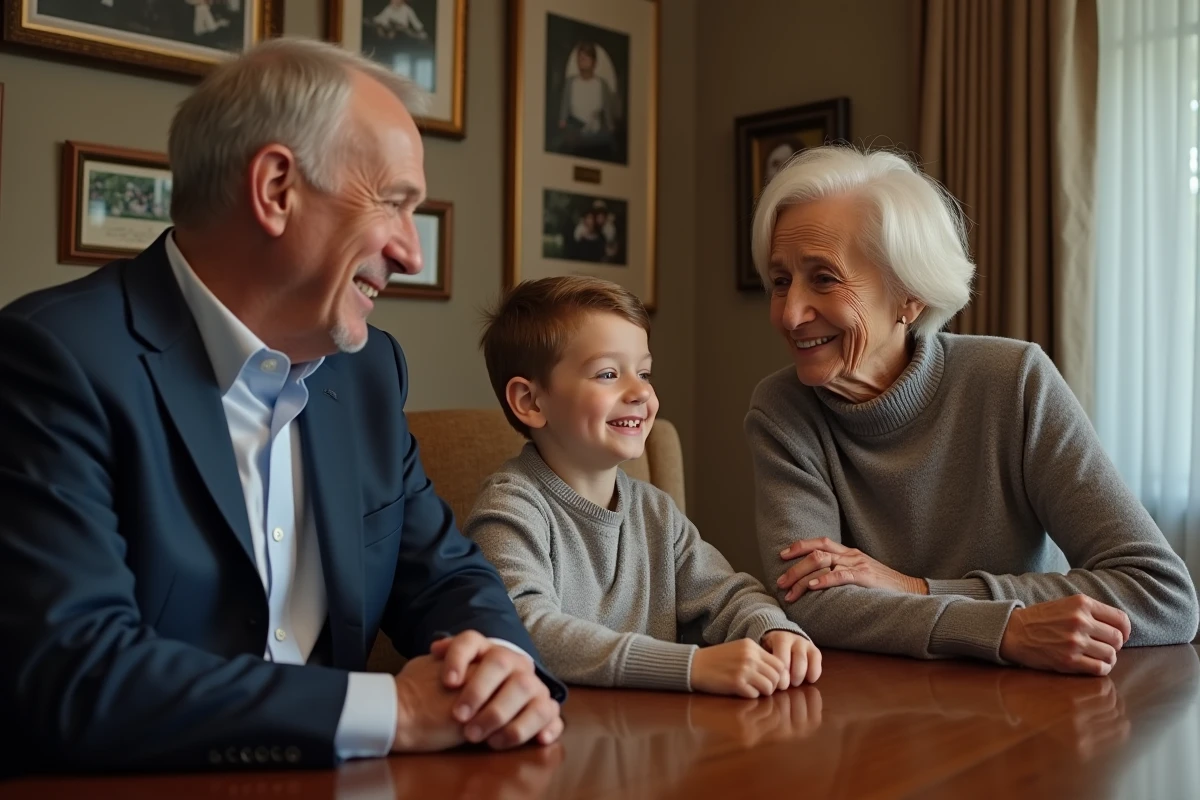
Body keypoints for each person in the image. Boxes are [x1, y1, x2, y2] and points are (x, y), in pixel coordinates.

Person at [0, 38, 564, 773]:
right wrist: (395, 710)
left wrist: (503, 671)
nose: (411, 253)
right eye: (393, 203)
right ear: (275, 190)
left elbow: (448, 578)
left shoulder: (367, 372)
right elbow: (74, 670)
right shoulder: (53, 359)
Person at [745, 144, 1200, 676]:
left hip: (1036, 700)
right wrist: (1003, 629)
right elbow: (813, 602)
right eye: (781, 281)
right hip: (881, 703)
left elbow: (1162, 595)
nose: (790, 314)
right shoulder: (783, 411)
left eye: (824, 278)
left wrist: (916, 589)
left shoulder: (1014, 381)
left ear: (909, 296)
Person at [466, 276, 820, 697]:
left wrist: (771, 628)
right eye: (608, 373)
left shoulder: (657, 513)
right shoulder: (509, 509)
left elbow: (727, 595)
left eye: (645, 373)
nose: (640, 392)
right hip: (555, 729)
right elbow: (525, 629)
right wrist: (690, 666)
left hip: (656, 730)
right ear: (530, 401)